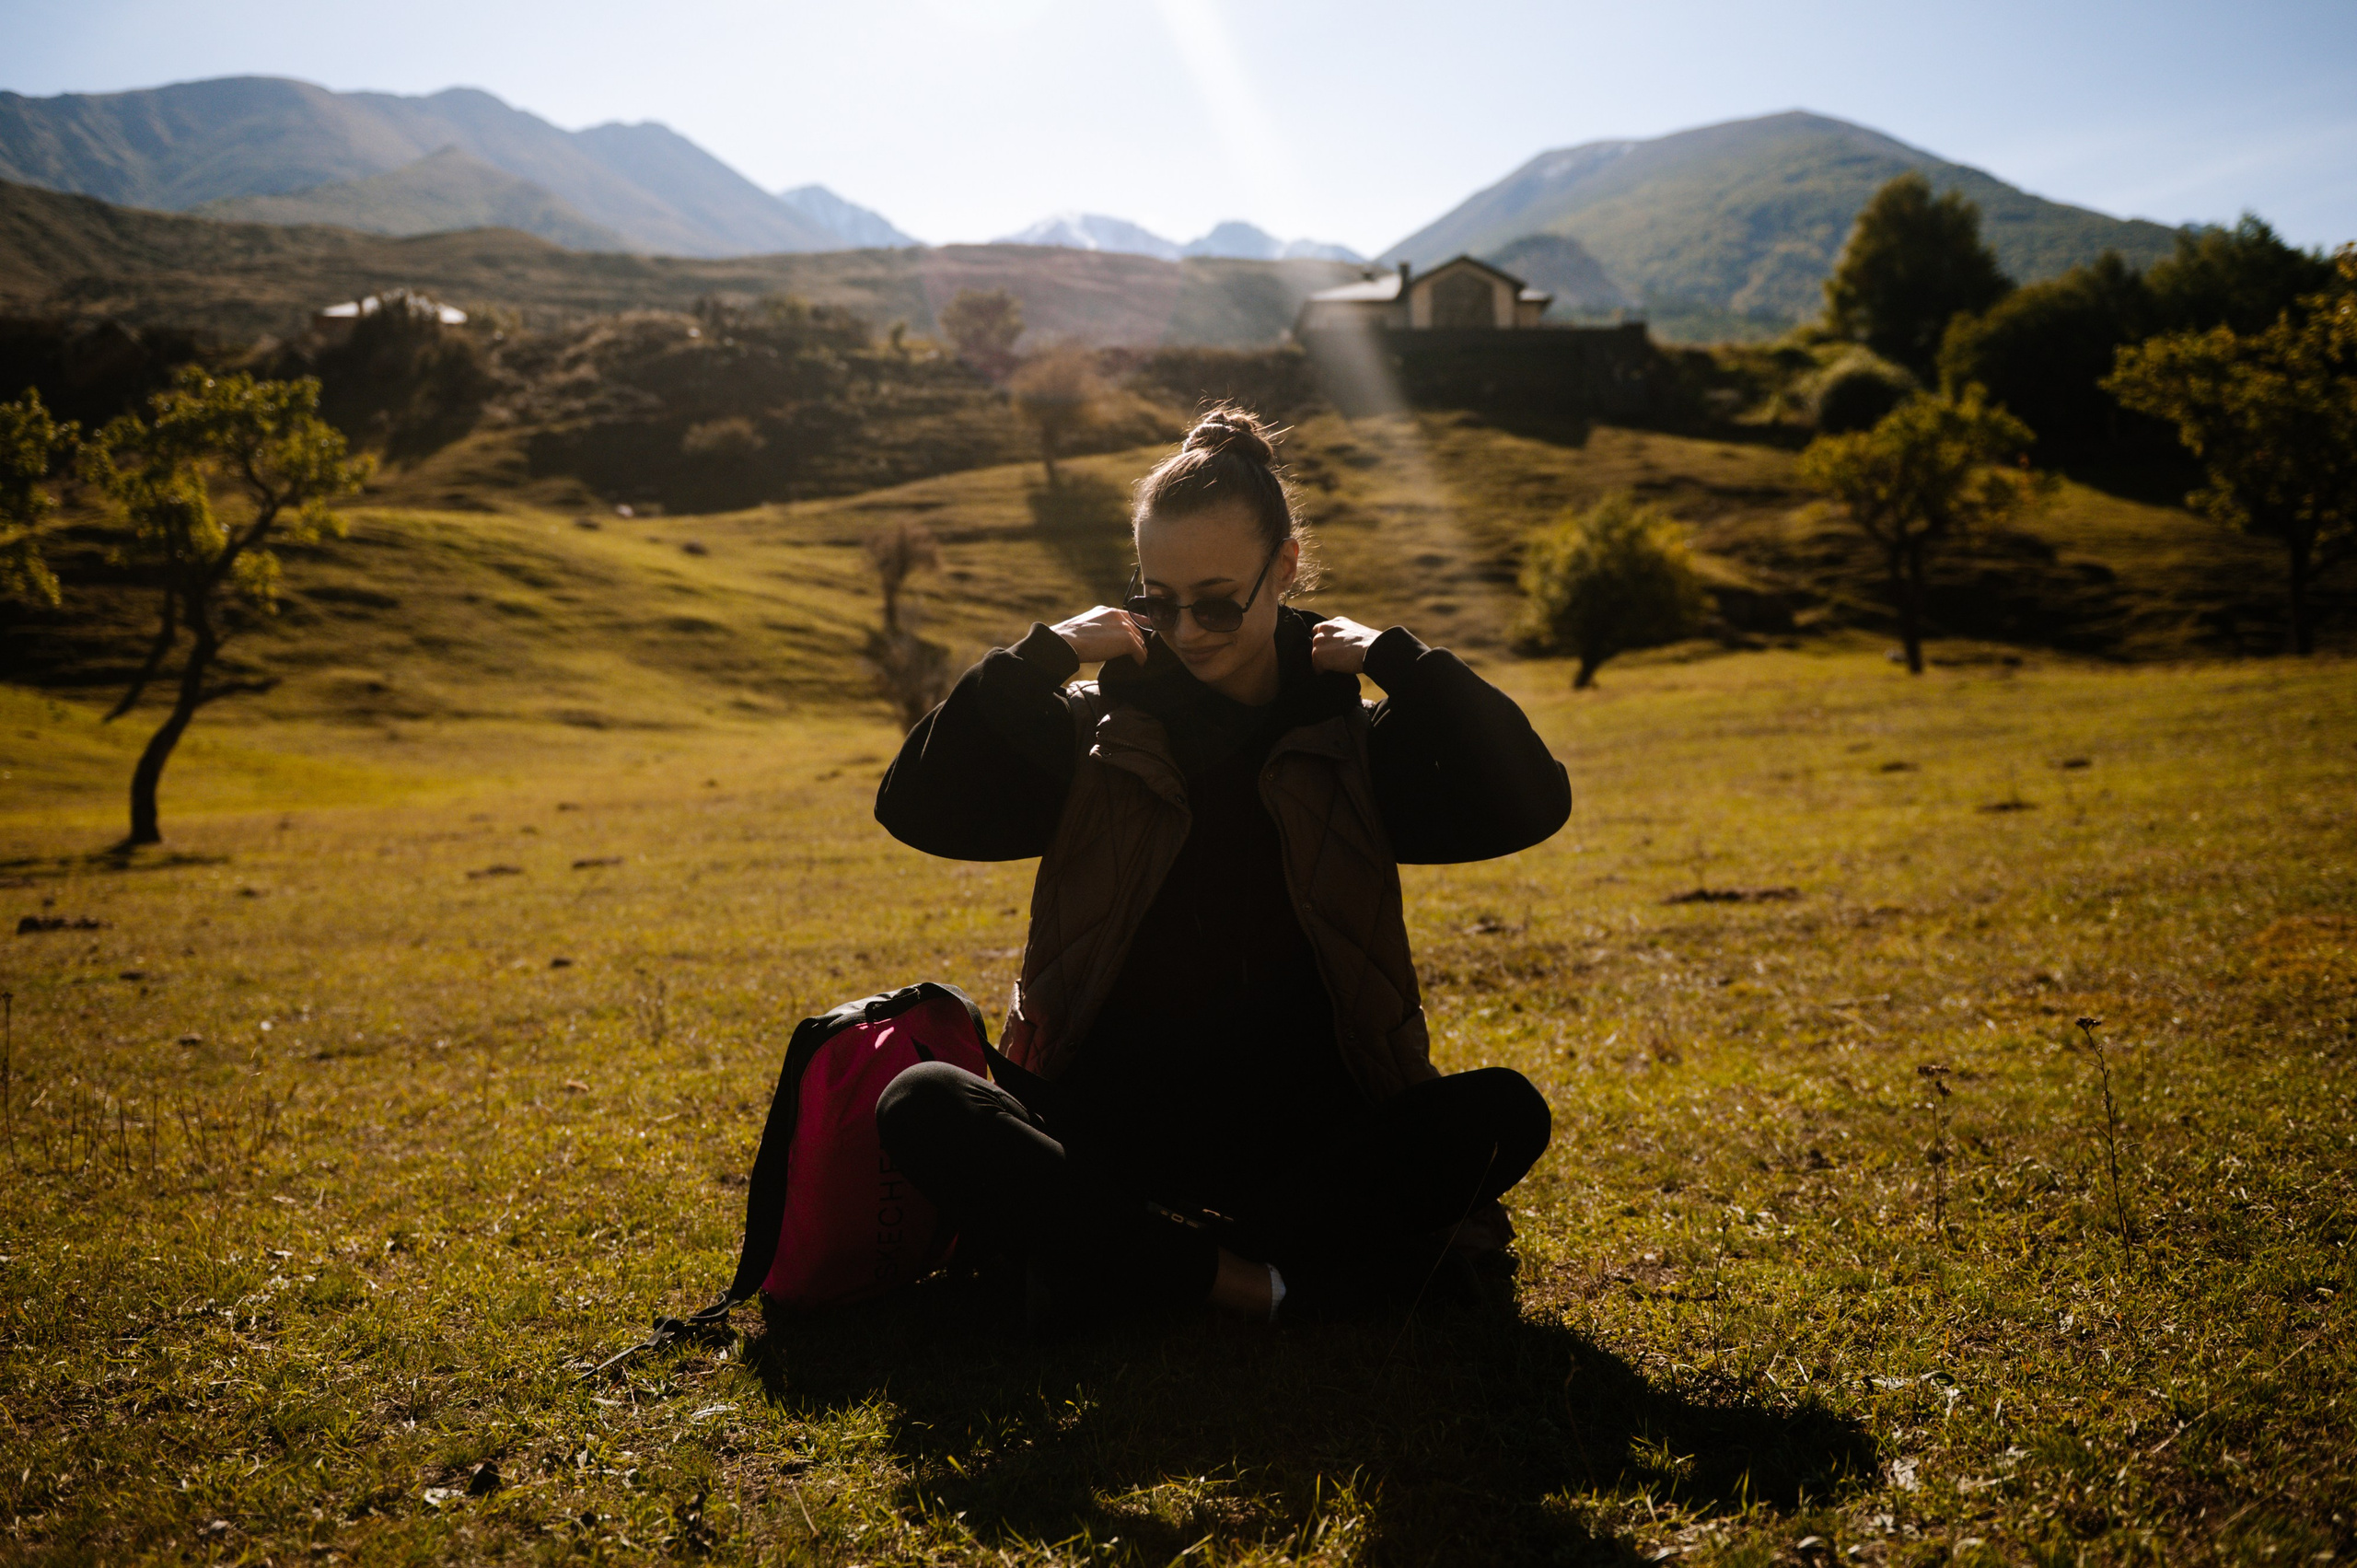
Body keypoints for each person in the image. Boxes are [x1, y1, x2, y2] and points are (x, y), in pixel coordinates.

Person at [872, 405, 1569, 1327]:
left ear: (1284, 568)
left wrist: (1399, 659)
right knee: (921, 1100)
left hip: (1310, 1145)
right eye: (1158, 602)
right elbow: (915, 804)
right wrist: (1043, 652)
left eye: (1215, 600)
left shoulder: (1351, 744)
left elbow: (1532, 798)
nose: (1187, 630)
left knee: (1505, 1111)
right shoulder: (1091, 734)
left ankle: (1137, 1264)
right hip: (1108, 1134)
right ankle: (1263, 1285)